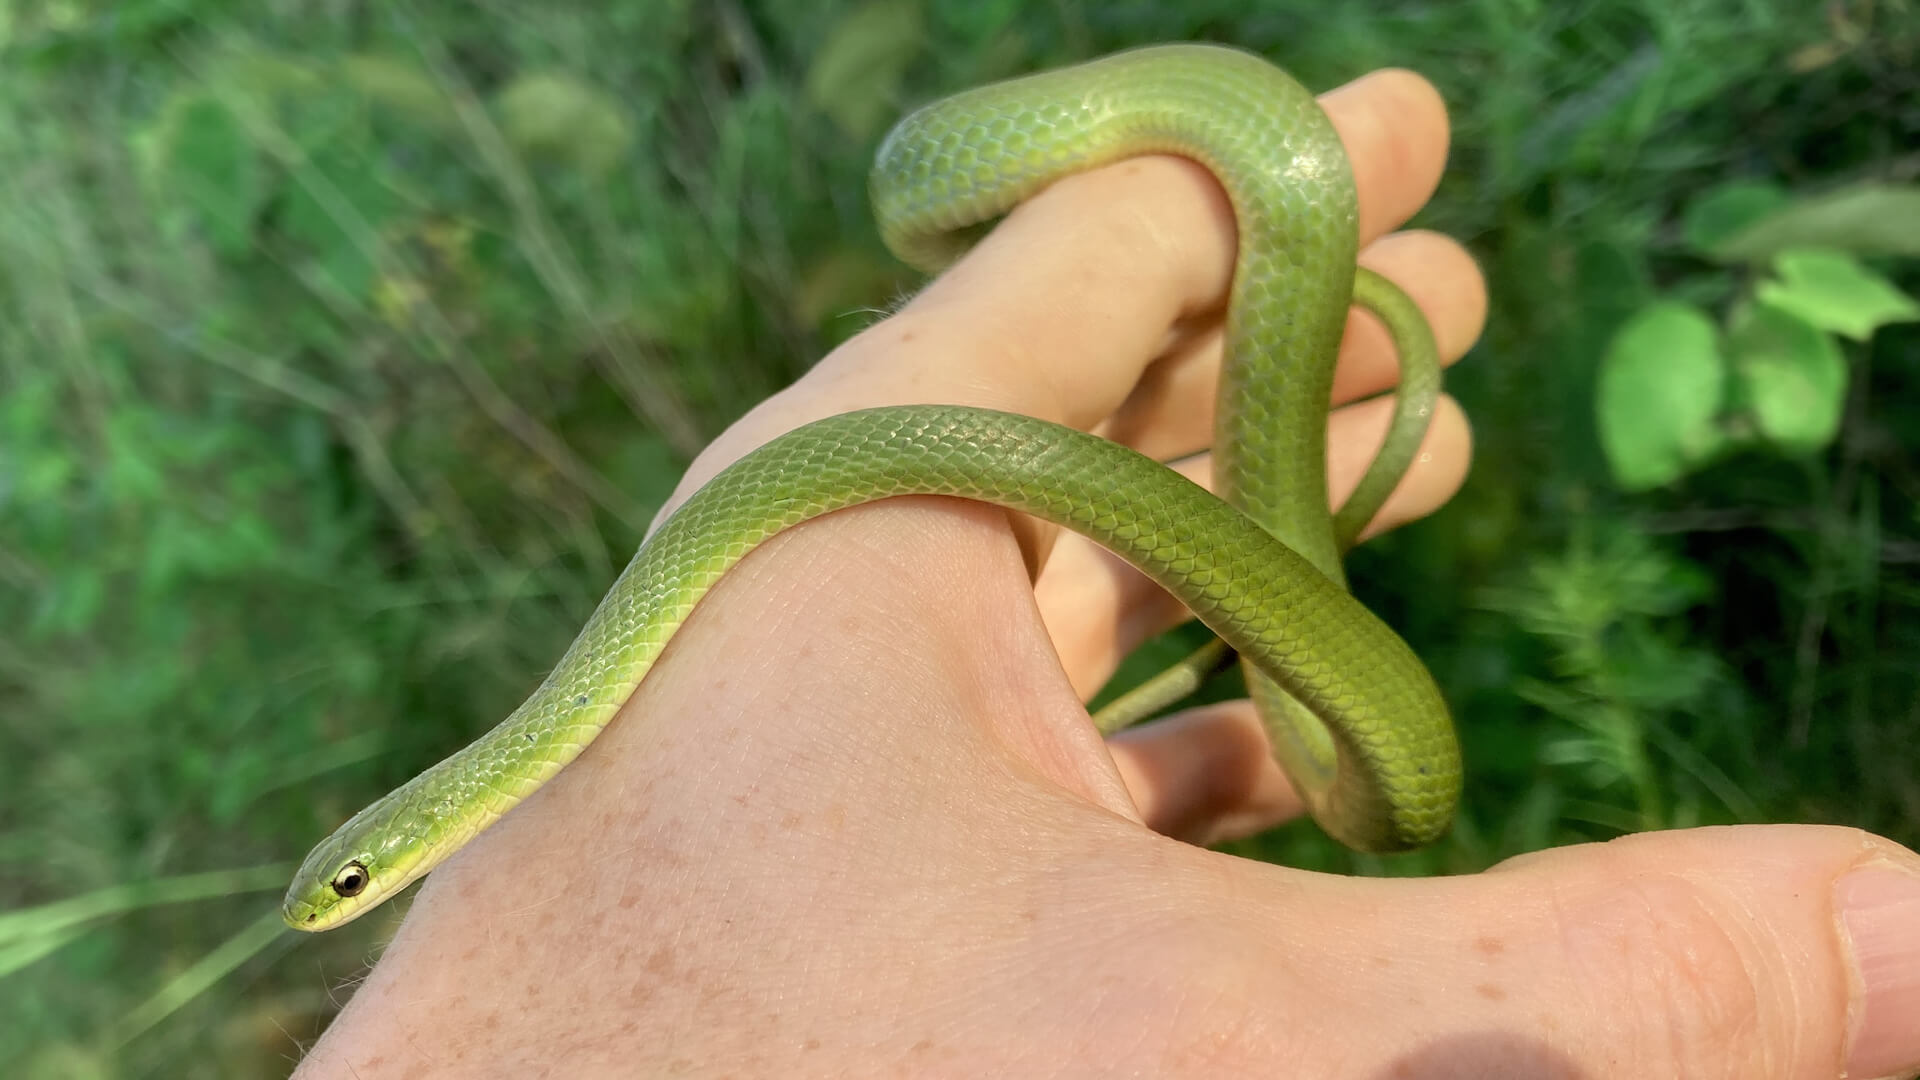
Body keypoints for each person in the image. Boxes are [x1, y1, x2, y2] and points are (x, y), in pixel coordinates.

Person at [291, 68, 1920, 1079]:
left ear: (409, 842)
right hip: (1271, 624)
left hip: (1234, 242)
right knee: (1345, 700)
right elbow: (1386, 804)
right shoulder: (572, 706)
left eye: (356, 884)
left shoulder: (590, 678)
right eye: (354, 891)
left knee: (1321, 230)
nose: (345, 905)